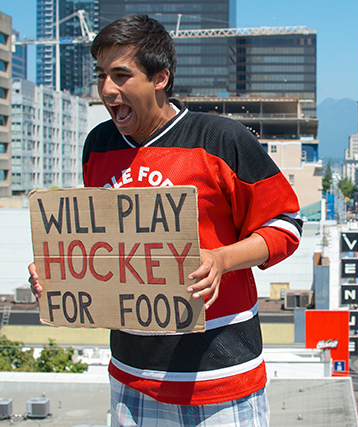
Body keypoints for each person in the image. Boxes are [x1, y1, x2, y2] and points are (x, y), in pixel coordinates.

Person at [28, 14, 303, 427]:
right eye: (101, 75)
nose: (107, 89)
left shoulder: (221, 140)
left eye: (121, 75)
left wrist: (222, 260)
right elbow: (102, 245)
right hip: (132, 379)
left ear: (161, 77)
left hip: (221, 378)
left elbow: (287, 225)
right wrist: (60, 270)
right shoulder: (97, 146)